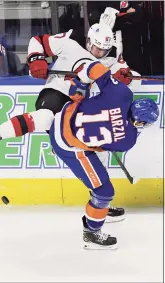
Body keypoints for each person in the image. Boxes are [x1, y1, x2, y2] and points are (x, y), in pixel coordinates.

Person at [0, 20, 139, 221]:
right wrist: (37, 59)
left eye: (103, 50)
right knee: (44, 118)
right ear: (89, 41)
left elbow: (127, 75)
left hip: (80, 109)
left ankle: (100, 201)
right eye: (96, 48)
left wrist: (126, 76)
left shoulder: (111, 59)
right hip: (56, 93)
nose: (99, 53)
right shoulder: (70, 43)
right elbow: (39, 41)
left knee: (99, 157)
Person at [48, 61, 159, 249]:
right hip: (67, 145)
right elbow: (97, 147)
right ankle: (91, 232)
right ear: (140, 123)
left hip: (62, 116)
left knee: (90, 97)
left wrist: (80, 83)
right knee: (104, 192)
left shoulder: (123, 94)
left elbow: (95, 67)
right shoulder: (128, 141)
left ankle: (98, 209)